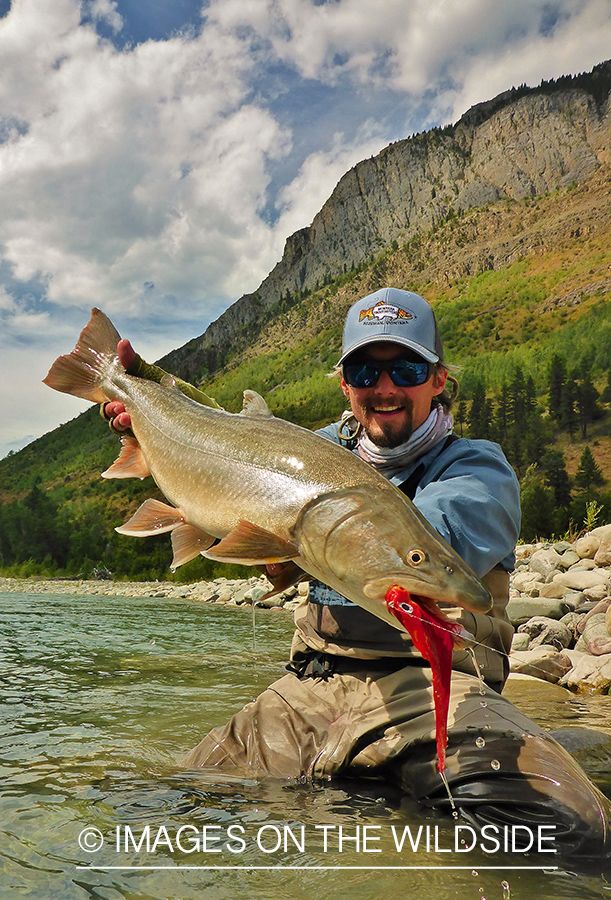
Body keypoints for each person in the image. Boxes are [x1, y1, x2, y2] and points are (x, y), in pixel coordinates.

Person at [104, 287, 611, 860]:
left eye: (408, 368)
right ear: (346, 384)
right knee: (152, 810)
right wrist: (151, 394)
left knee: (571, 831)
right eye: (366, 371)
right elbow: (230, 438)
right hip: (309, 687)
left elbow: (421, 543)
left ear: (439, 380)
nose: (385, 387)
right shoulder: (317, 451)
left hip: (428, 689)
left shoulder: (478, 467)